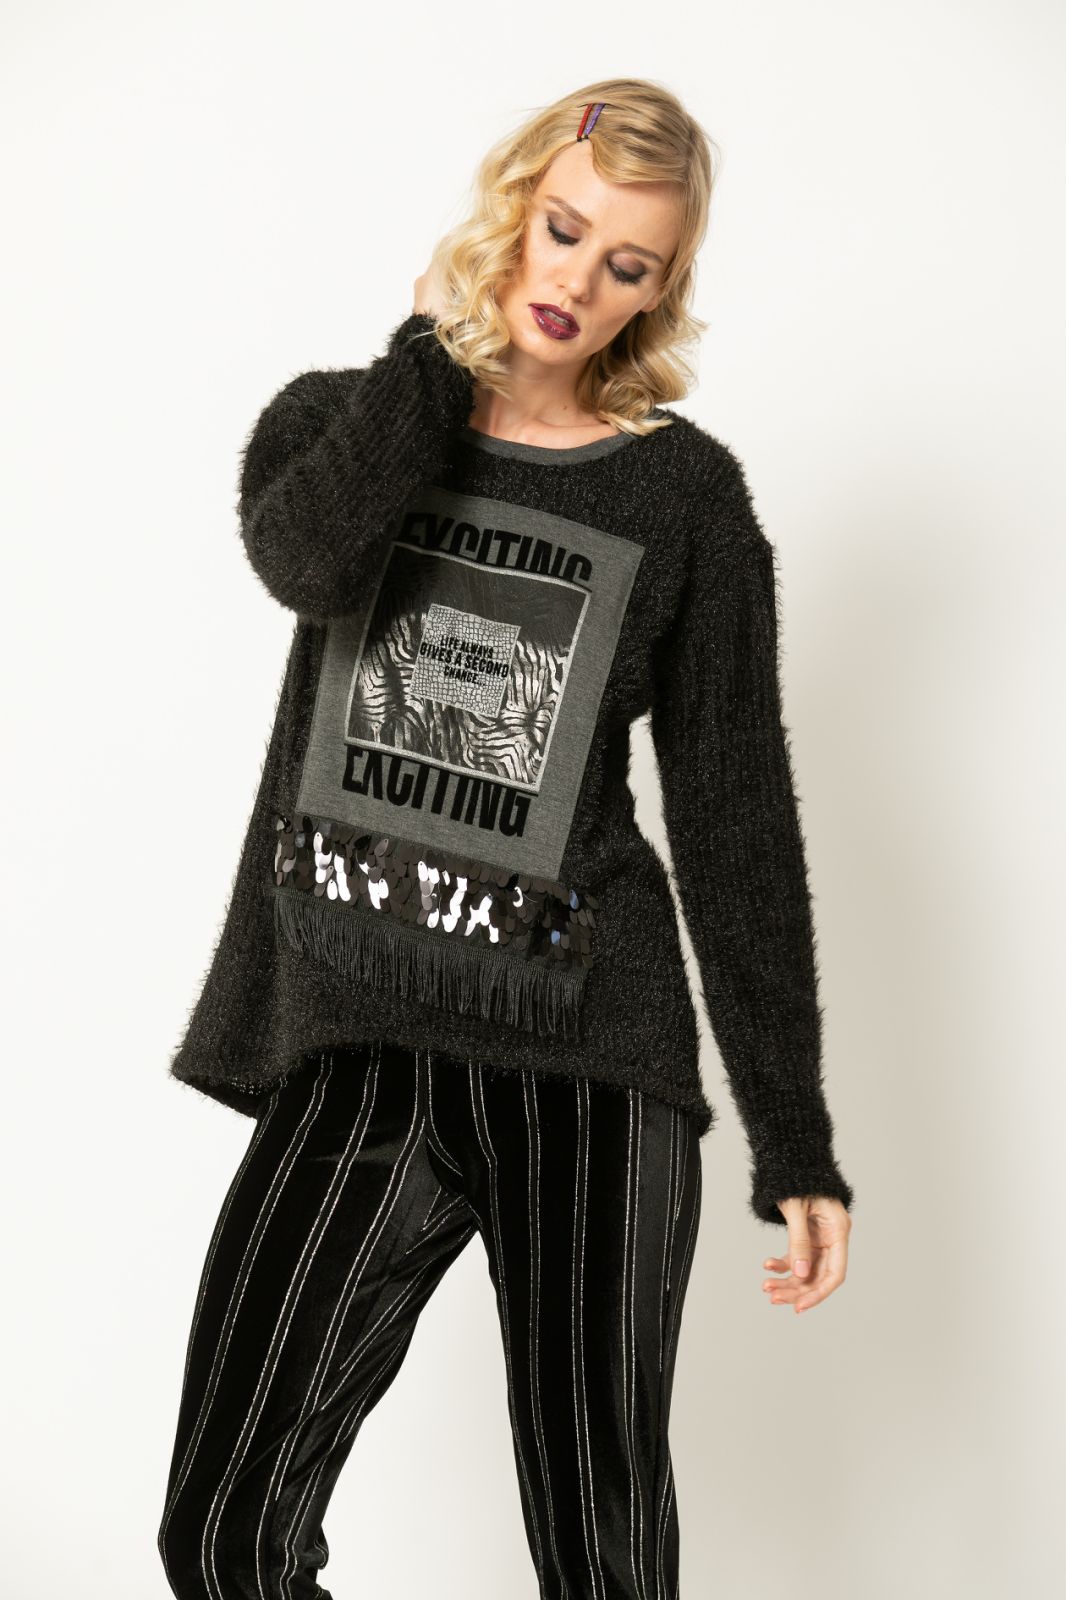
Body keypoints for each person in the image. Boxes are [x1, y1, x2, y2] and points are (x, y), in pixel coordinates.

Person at [157, 77, 856, 1600]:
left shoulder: (683, 497)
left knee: (602, 1562)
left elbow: (735, 819)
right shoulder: (339, 421)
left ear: (661, 287)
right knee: (221, 1536)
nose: (578, 280)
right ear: (509, 204)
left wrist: (793, 1135)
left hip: (591, 1057)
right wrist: (427, 355)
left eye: (628, 264)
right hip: (361, 1042)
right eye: (561, 229)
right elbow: (309, 561)